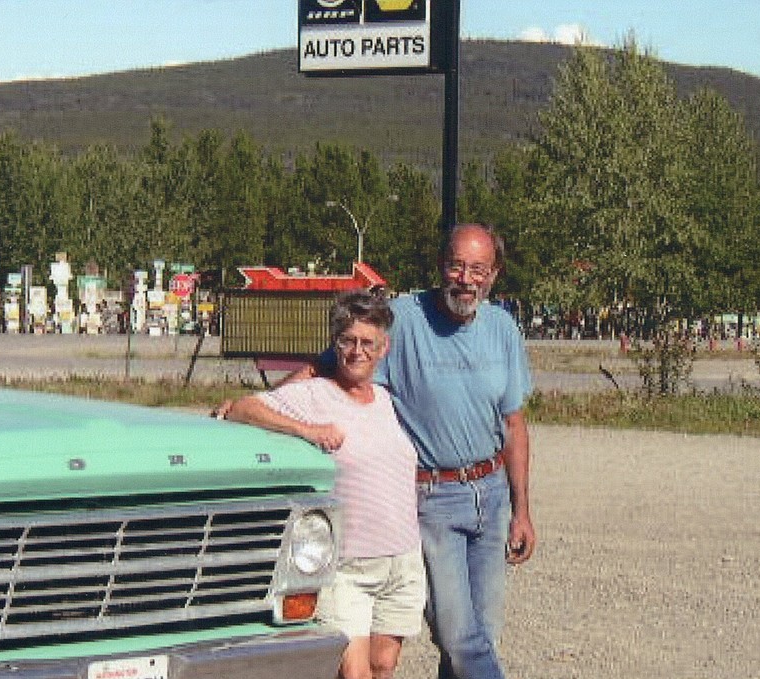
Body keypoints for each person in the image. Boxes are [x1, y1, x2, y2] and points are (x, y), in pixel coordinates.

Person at [225, 289, 425, 679]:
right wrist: (307, 430)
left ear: (383, 348)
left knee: (383, 666)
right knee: (354, 674)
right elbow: (242, 408)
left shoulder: (385, 400)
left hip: (402, 560)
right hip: (349, 566)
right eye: (348, 341)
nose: (357, 351)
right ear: (335, 344)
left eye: (368, 342)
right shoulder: (313, 395)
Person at [376, 223, 535, 679]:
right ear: (440, 265)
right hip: (433, 499)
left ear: (494, 275)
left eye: (478, 269)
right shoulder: (403, 319)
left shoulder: (503, 327)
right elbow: (337, 364)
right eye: (457, 265)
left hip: (490, 494)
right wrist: (261, 407)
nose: (466, 279)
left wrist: (522, 510)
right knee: (460, 637)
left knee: (480, 633)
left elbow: (514, 423)